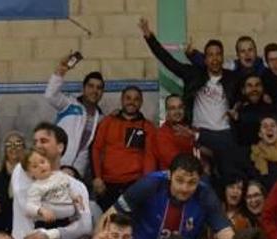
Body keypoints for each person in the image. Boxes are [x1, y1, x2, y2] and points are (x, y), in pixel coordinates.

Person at [139, 18, 239, 178]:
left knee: (230, 178)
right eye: (210, 55)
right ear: (205, 59)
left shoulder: (233, 78)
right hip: (199, 134)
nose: (214, 59)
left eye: (218, 54)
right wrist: (150, 38)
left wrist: (238, 108)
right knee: (203, 179)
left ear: (222, 57)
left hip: (225, 135)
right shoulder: (194, 75)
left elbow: (249, 91)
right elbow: (168, 61)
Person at [102, 153, 234, 239]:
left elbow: (225, 233)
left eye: (192, 182)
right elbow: (110, 217)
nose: (184, 188)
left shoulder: (206, 195)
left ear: (199, 180)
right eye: (179, 180)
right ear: (169, 175)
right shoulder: (150, 185)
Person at [11, 122, 93, 239]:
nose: (38, 145)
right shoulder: (23, 171)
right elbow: (31, 209)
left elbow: (85, 225)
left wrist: (52, 234)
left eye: (44, 141)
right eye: (35, 141)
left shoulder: (76, 185)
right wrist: (68, 211)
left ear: (60, 147)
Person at [22, 147, 84, 239]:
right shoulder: (36, 187)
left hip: (63, 224)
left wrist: (75, 197)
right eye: (34, 166)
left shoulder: (61, 177)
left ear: (49, 162)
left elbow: (68, 190)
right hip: (44, 224)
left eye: (42, 161)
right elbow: (29, 207)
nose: (40, 166)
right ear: (30, 173)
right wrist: (41, 210)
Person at [91, 85, 158, 210]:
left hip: (134, 184)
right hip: (107, 184)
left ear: (141, 103)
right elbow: (96, 149)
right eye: (128, 98)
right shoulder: (107, 122)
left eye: (136, 99)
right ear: (122, 100)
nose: (131, 102)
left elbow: (150, 157)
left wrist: (146, 184)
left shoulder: (148, 127)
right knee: (107, 223)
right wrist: (97, 177)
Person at [44, 55, 105, 179]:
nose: (95, 90)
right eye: (91, 86)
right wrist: (61, 71)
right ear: (83, 88)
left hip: (77, 173)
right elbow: (50, 95)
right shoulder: (69, 104)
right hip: (55, 166)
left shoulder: (100, 118)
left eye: (99, 88)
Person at [249, 115, 277, 189]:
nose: (269, 129)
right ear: (260, 134)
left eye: (273, 126)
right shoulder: (255, 154)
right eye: (265, 126)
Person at [156, 94, 196, 170]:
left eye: (180, 107)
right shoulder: (162, 133)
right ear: (167, 112)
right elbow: (174, 162)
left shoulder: (191, 128)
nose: (177, 111)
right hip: (174, 176)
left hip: (194, 172)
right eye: (172, 108)